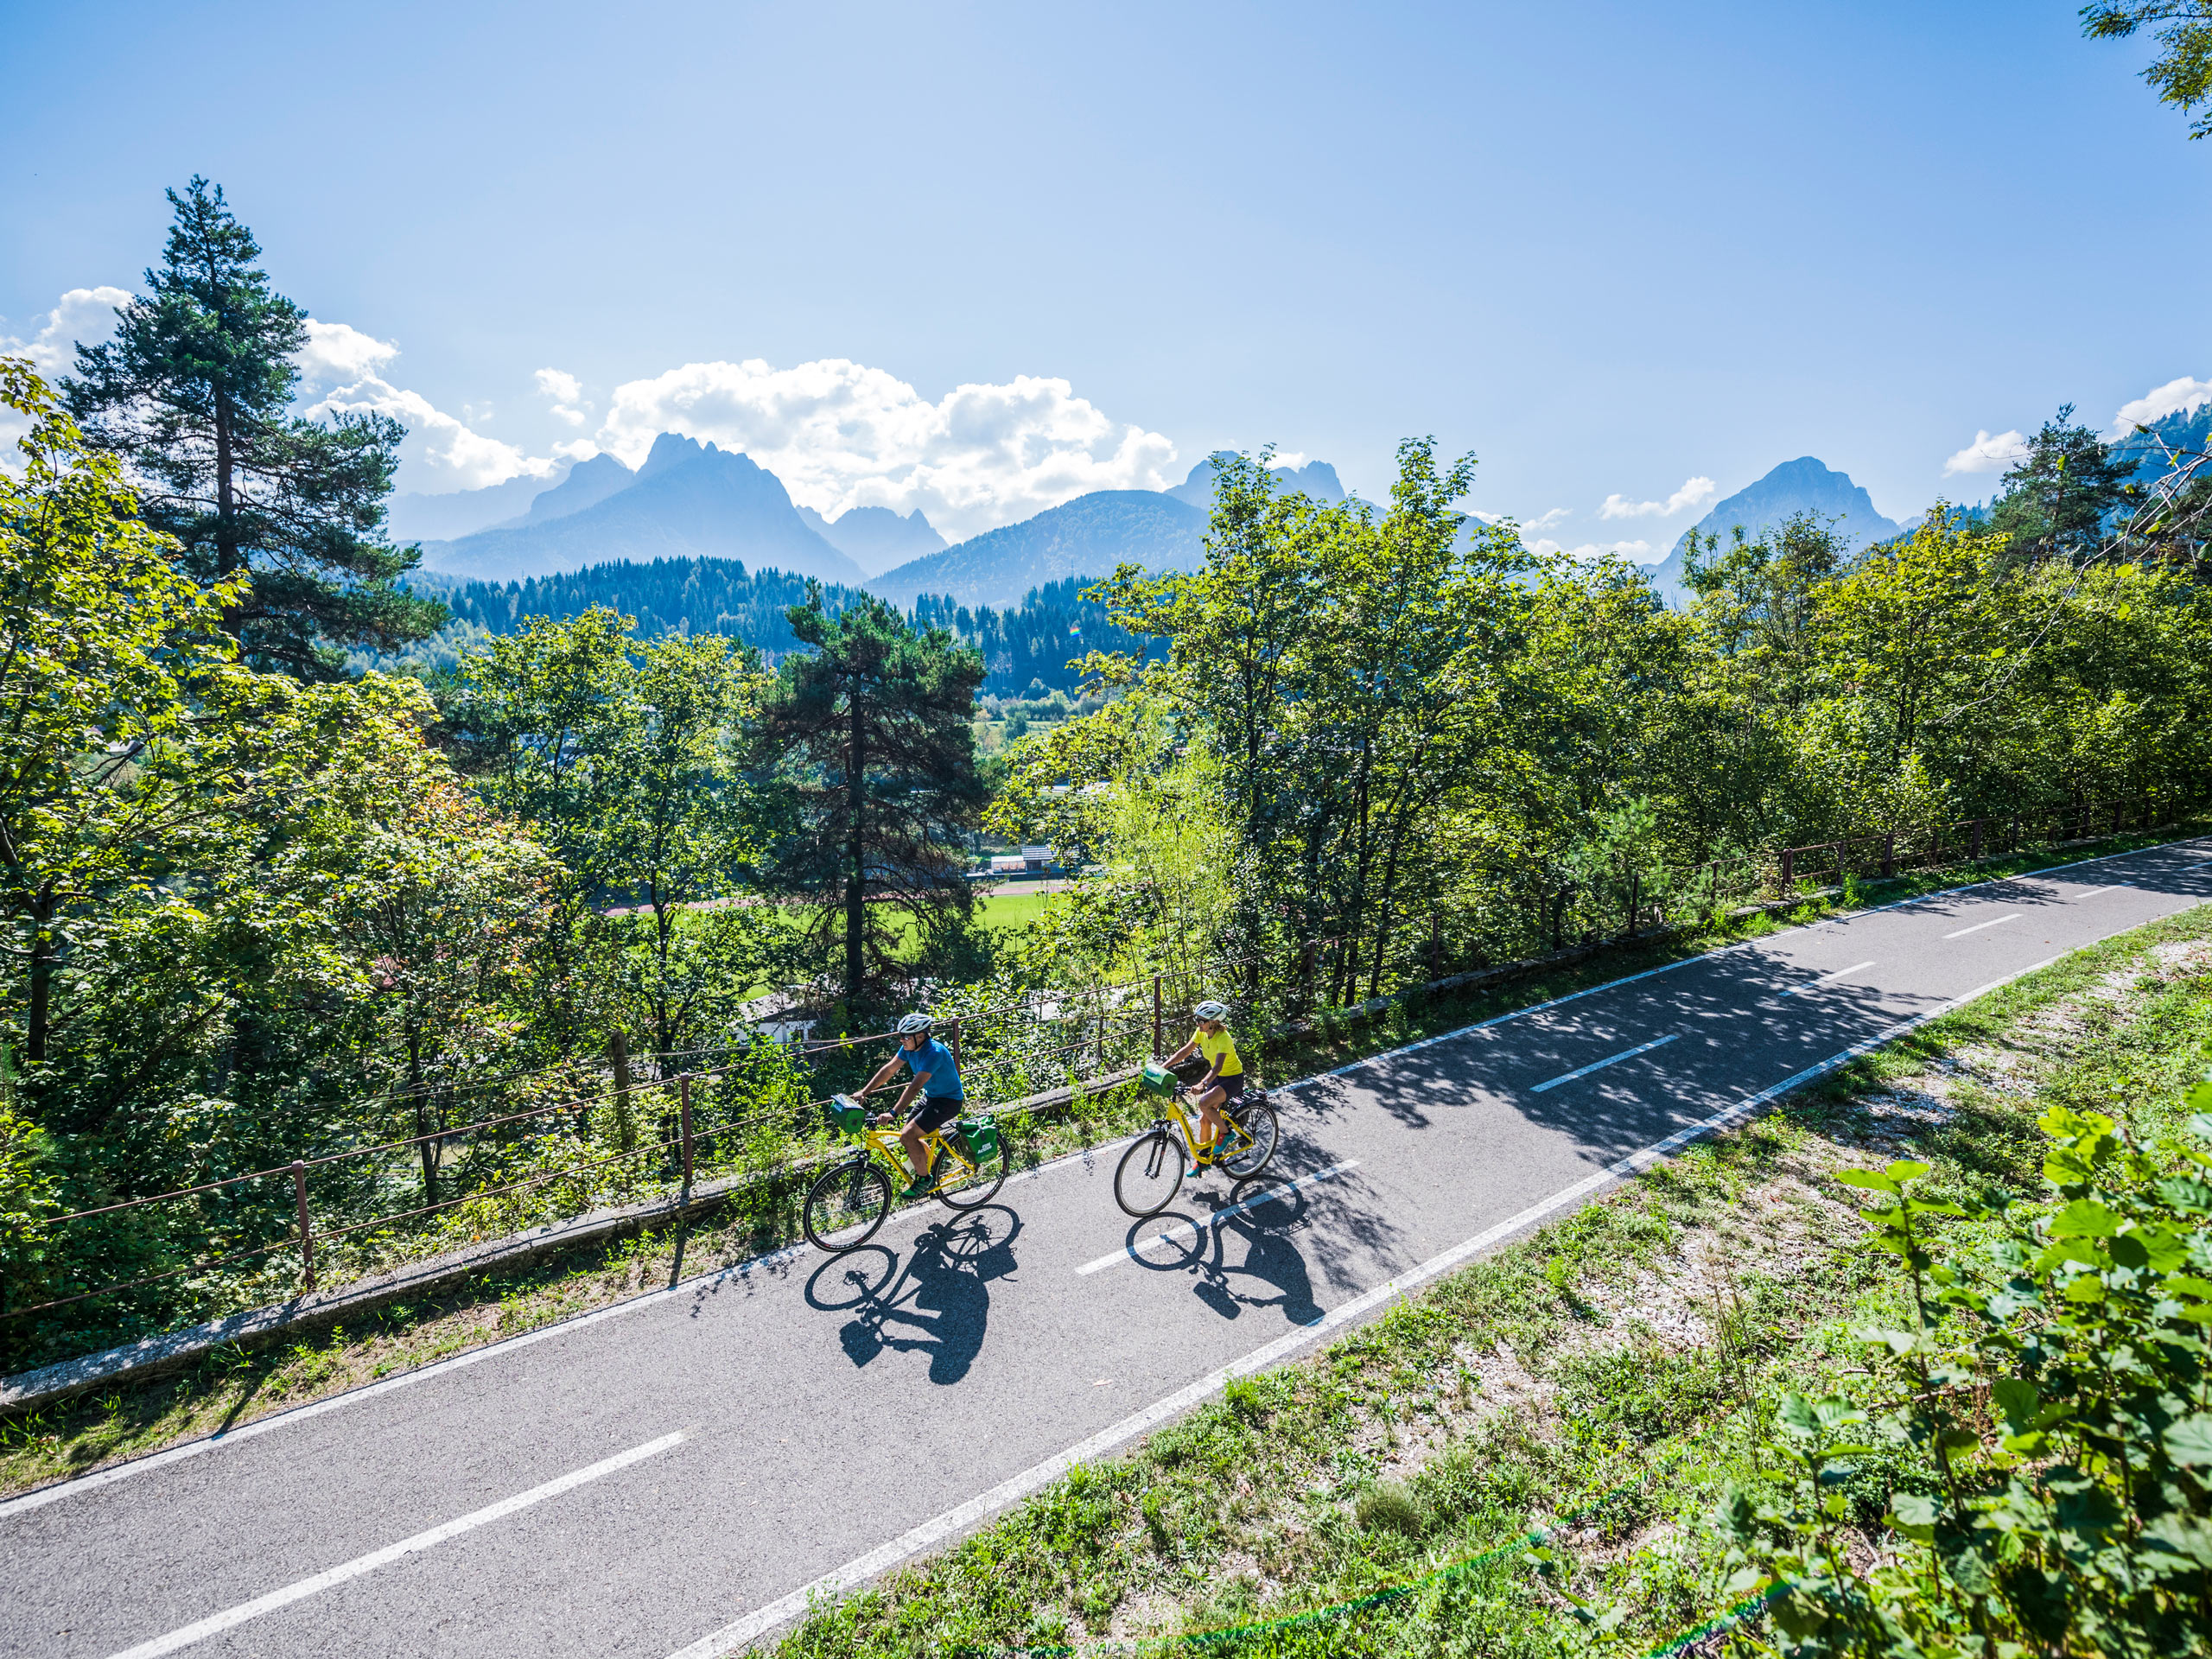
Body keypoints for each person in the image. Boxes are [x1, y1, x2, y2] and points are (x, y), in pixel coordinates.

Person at [861, 1013, 967, 1199]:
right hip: (932, 1097)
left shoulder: (934, 1053)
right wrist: (864, 1092)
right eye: (900, 1035)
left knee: (908, 1135)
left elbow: (915, 1087)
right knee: (907, 1135)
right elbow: (889, 1069)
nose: (902, 1040)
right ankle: (935, 1166)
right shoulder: (910, 1048)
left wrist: (893, 1112)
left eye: (906, 1036)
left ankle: (925, 1180)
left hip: (948, 1101)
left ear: (920, 1036)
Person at [1161, 1000, 1243, 1160]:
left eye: (1201, 1021)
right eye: (1196, 1019)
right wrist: (1164, 1066)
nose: (1198, 1024)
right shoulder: (1202, 1032)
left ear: (1213, 1022)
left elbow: (1218, 1066)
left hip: (1232, 1079)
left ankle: (1226, 1134)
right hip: (1218, 1078)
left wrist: (1202, 1083)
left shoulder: (1223, 1038)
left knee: (1204, 1103)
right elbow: (1185, 1051)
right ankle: (1203, 1160)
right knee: (1205, 1121)